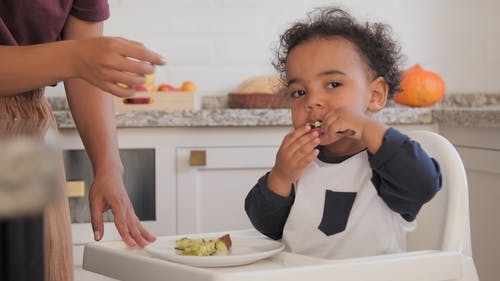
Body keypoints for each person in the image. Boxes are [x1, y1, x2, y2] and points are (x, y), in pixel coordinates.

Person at [244, 7, 442, 260]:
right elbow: (267, 226)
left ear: (375, 95)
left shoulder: (387, 162)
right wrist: (281, 176)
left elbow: (423, 184)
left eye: (333, 84)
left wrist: (366, 127)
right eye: (299, 92)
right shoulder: (300, 162)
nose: (312, 101)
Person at [0, 1, 164, 280]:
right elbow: (81, 58)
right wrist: (75, 57)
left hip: (28, 132)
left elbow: (88, 66)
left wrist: (109, 166)